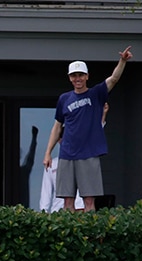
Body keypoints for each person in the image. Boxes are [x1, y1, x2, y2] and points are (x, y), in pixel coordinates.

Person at [42, 47, 131, 212]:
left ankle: (88, 234)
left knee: (88, 201)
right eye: (74, 76)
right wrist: (48, 152)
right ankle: (69, 235)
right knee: (67, 201)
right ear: (69, 78)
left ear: (87, 76)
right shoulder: (64, 99)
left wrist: (123, 61)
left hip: (89, 154)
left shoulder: (95, 94)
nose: (78, 79)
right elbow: (57, 126)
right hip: (66, 154)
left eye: (81, 75)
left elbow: (113, 79)